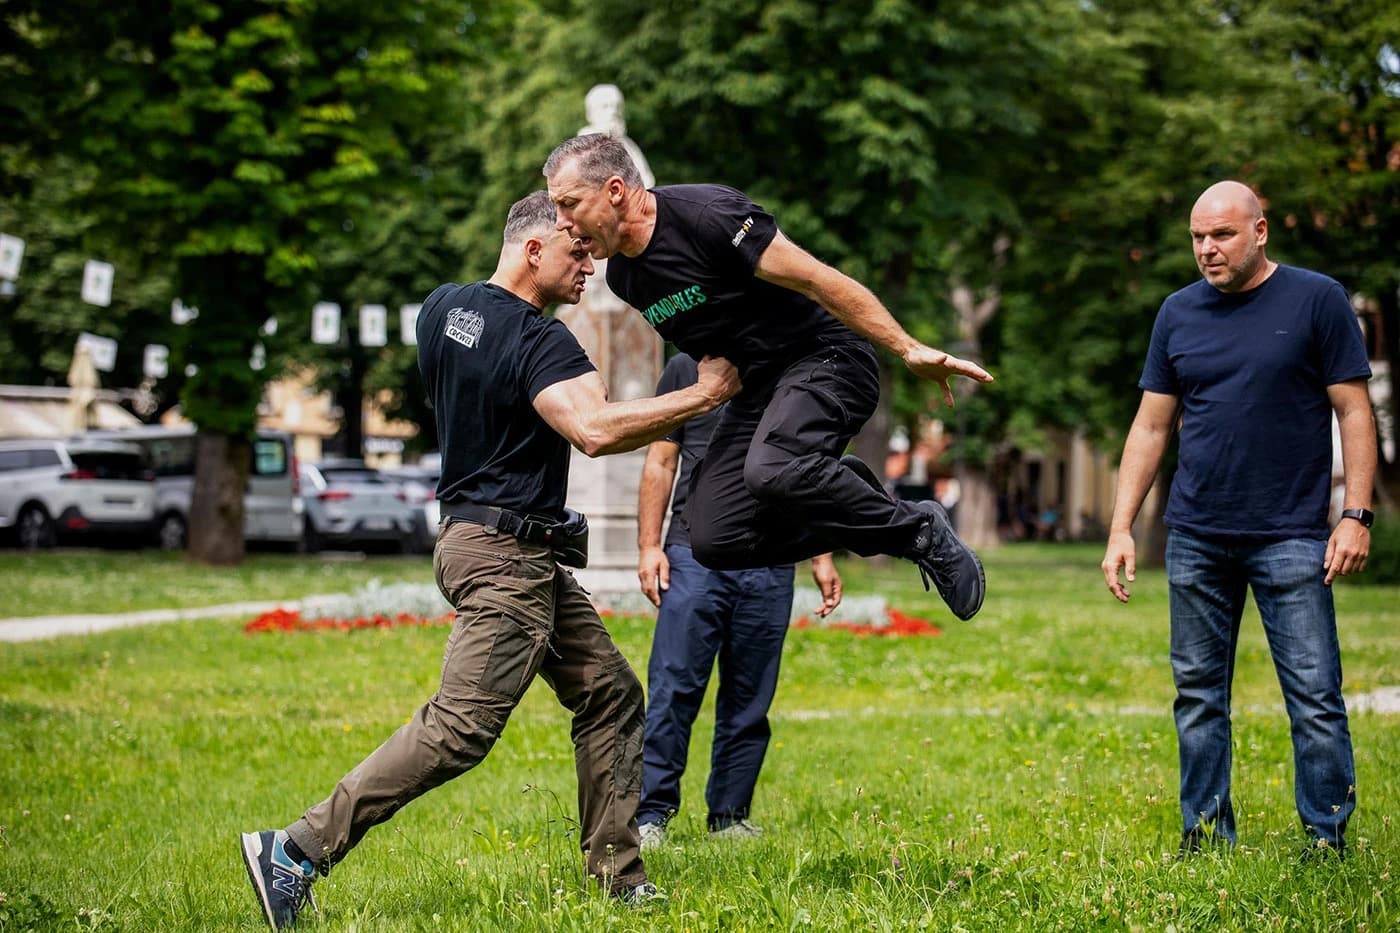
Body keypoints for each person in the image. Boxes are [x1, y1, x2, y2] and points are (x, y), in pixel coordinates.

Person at [239, 191, 741, 929]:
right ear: (535, 248)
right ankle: (295, 848)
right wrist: (704, 394)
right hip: (507, 557)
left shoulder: (443, 309)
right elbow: (595, 430)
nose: (590, 270)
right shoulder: (544, 342)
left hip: (484, 542)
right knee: (460, 726)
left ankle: (618, 876)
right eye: (578, 252)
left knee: (610, 693)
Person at [543, 133, 993, 620]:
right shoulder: (625, 277)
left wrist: (908, 348)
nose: (563, 224)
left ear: (614, 190)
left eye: (570, 205)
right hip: (760, 388)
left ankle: (919, 530)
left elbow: (817, 279)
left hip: (827, 359)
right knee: (715, 538)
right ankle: (842, 490)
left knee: (772, 468)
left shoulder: (708, 216)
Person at [1101, 180, 1376, 858]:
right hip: (1196, 535)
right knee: (1197, 697)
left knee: (1313, 697)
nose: (1206, 248)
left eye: (1221, 234)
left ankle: (1326, 839)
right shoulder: (1177, 312)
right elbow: (1150, 425)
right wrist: (1120, 526)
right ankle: (1204, 836)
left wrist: (1357, 514)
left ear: (1260, 231)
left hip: (1292, 535)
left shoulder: (1317, 300)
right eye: (1197, 236)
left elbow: (1354, 410)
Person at [635, 352, 842, 849]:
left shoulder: (793, 371)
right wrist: (649, 545)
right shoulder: (688, 368)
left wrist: (820, 555)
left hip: (771, 562)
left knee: (750, 698)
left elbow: (805, 473)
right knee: (674, 689)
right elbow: (661, 461)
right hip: (694, 554)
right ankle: (651, 814)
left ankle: (729, 815)